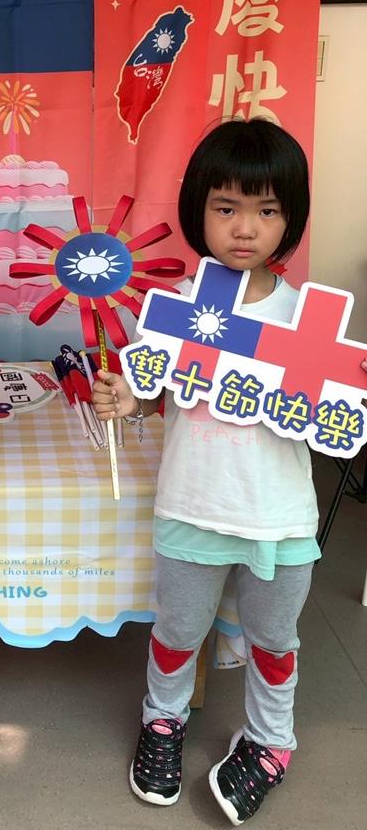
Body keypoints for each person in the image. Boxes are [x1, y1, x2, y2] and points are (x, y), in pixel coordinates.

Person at [93, 118, 322, 826]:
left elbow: (329, 409)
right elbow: (152, 390)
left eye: (266, 209)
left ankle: (271, 742)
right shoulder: (174, 311)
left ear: (290, 217)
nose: (245, 228)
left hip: (280, 518)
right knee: (176, 631)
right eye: (226, 207)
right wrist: (128, 398)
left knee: (274, 643)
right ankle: (162, 721)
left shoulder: (307, 317)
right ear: (198, 209)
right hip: (191, 505)